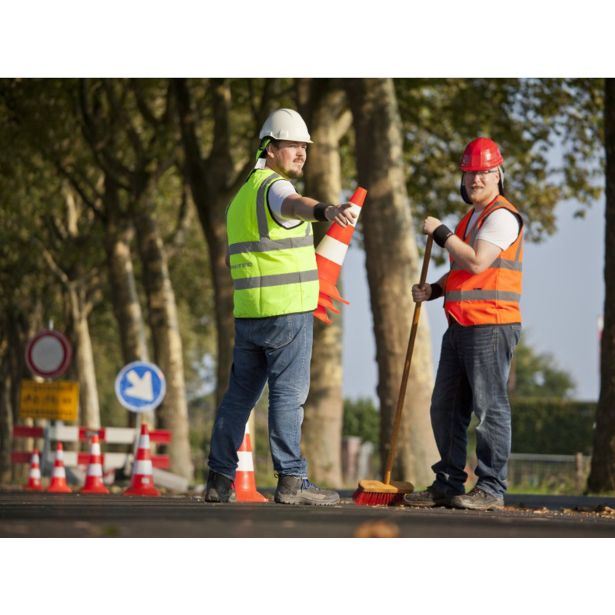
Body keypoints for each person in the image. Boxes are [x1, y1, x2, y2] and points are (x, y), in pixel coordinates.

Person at [205, 108, 356, 505]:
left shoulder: (240, 199)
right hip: (287, 312)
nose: (302, 153)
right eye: (293, 145)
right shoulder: (276, 188)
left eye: (304, 147)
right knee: (288, 396)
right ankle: (291, 481)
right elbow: (294, 205)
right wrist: (326, 211)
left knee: (239, 397)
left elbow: (230, 258)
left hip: (249, 313)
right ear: (269, 149)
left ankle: (218, 480)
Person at [403, 137, 523, 511]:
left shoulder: (501, 216)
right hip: (460, 324)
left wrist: (441, 233)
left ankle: (490, 487)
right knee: (445, 406)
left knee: (489, 408)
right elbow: (461, 274)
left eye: (483, 172)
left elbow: (476, 262)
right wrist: (435, 289)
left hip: (490, 325)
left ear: (498, 174)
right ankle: (449, 482)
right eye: (469, 173)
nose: (475, 180)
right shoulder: (471, 218)